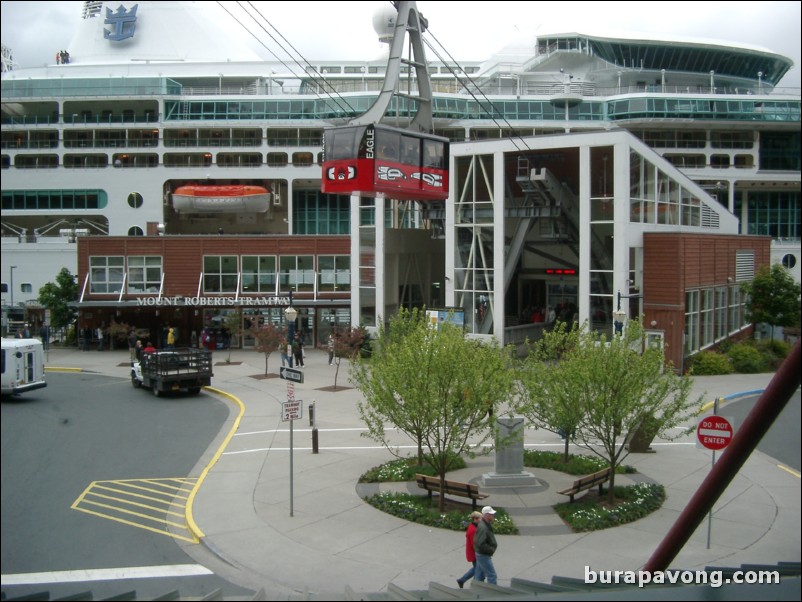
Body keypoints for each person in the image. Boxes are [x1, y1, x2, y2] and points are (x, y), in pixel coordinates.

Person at [456, 511, 482, 588]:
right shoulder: (473, 530)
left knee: (477, 568)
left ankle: (462, 580)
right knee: (478, 569)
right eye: (481, 518)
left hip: (472, 552)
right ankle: (471, 583)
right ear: (476, 519)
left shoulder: (472, 527)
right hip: (474, 553)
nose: (482, 519)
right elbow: (474, 544)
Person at [473, 505, 498, 585]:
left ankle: (476, 591)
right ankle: (493, 594)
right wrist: (490, 549)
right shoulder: (483, 527)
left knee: (479, 576)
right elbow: (480, 543)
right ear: (487, 515)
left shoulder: (485, 524)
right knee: (492, 575)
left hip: (481, 554)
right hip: (483, 555)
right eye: (491, 514)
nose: (493, 515)